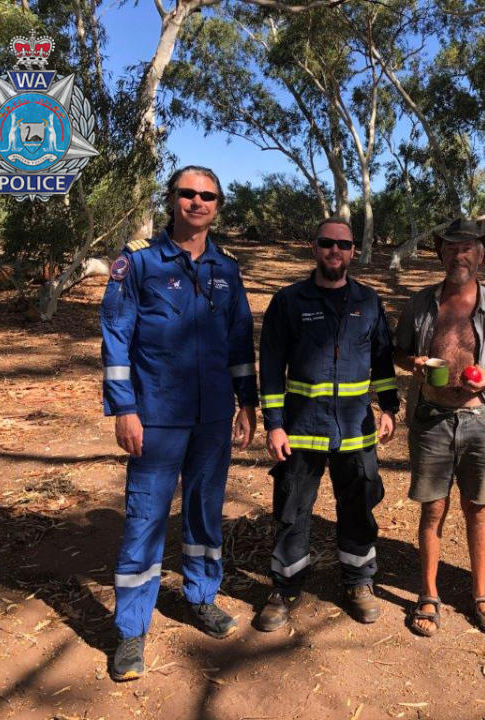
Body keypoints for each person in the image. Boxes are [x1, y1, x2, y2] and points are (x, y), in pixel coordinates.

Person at [100, 166, 258, 681]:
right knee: (145, 519)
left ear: (217, 205)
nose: (197, 202)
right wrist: (124, 407)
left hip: (212, 417)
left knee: (205, 514)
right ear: (171, 199)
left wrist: (247, 402)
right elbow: (116, 339)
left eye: (207, 195)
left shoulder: (227, 272)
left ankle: (202, 596)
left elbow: (239, 343)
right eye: (187, 193)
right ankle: (130, 631)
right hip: (156, 416)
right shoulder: (139, 265)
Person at [256, 217, 399, 631]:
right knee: (292, 509)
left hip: (355, 429)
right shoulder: (288, 301)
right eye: (326, 243)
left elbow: (383, 361)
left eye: (343, 244)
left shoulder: (369, 302)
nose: (335, 251)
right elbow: (270, 366)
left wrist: (389, 408)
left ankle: (358, 581)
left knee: (358, 505)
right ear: (313, 247)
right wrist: (274, 424)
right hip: (301, 428)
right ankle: (284, 588)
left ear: (354, 251)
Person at [394, 218, 485, 637]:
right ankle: (428, 594)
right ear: (441, 255)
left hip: (480, 419)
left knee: (477, 510)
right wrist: (411, 363)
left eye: (468, 249)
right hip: (431, 419)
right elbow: (398, 352)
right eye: (451, 248)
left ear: (481, 255)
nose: (459, 256)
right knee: (432, 510)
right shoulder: (419, 304)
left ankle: (480, 594)